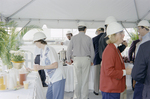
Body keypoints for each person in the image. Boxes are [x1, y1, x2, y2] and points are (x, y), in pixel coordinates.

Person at [27, 32, 66, 99]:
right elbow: (41, 66)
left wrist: (42, 67)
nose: (35, 45)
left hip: (58, 77)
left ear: (39, 42)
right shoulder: (42, 51)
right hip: (51, 79)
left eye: (35, 42)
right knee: (48, 96)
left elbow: (55, 65)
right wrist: (31, 69)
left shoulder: (49, 49)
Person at [100, 22, 132, 99]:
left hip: (113, 87)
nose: (123, 35)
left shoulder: (114, 48)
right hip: (110, 89)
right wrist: (125, 72)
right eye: (121, 33)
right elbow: (109, 71)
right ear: (113, 36)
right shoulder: (110, 50)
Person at [66, 22, 95, 99]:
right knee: (85, 80)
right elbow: (92, 51)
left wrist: (69, 59)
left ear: (78, 29)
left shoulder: (73, 38)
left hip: (76, 59)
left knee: (77, 80)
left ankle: (76, 97)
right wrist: (92, 60)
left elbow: (68, 50)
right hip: (86, 59)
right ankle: (85, 97)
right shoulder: (88, 38)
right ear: (85, 29)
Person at [131, 20, 150, 99]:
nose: (138, 31)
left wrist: (136, 78)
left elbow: (139, 66)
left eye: (139, 28)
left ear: (144, 28)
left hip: (144, 81)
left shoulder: (143, 44)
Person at [92, 27, 104, 95]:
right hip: (105, 59)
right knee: (105, 75)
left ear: (99, 31)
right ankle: (104, 89)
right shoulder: (107, 37)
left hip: (97, 59)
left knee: (96, 76)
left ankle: (96, 91)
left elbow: (92, 50)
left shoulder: (94, 39)